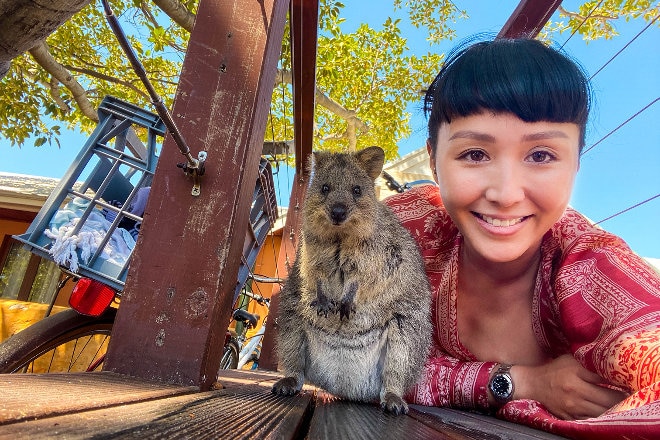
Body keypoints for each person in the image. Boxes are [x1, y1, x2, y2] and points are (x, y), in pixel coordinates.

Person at [383, 37, 660, 437]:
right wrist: (521, 383)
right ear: (433, 160)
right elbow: (342, 356)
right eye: (475, 154)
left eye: (542, 155)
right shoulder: (402, 233)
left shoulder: (592, 263)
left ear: (575, 164)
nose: (506, 193)